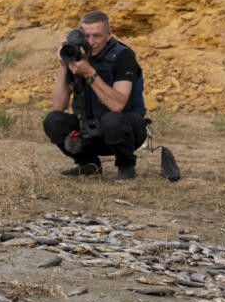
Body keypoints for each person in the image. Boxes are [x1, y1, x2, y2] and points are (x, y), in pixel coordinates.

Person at [43, 11, 147, 181]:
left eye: (97, 36)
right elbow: (58, 106)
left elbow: (117, 105)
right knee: (53, 120)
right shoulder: (77, 56)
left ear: (109, 34)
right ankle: (88, 165)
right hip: (89, 131)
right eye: (86, 36)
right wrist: (64, 64)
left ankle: (126, 166)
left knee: (111, 120)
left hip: (125, 131)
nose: (91, 42)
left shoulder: (123, 56)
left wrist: (89, 73)